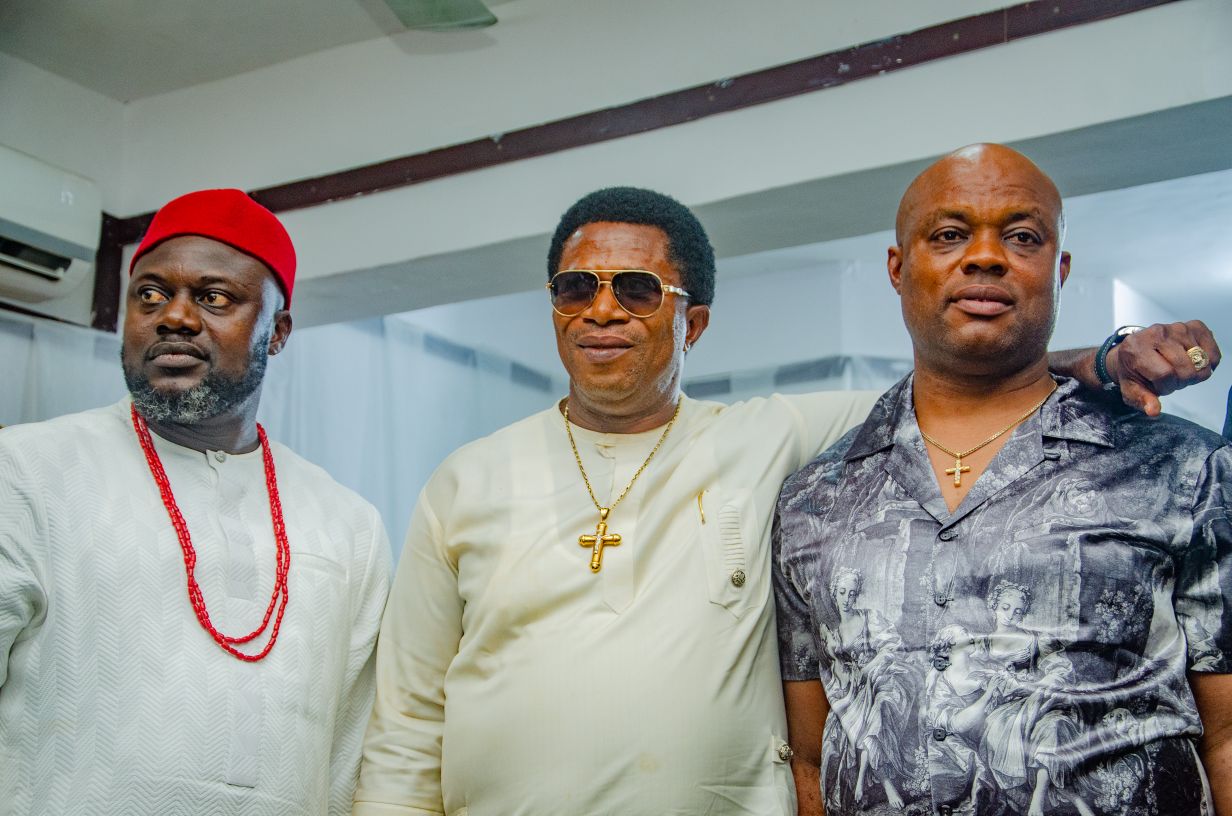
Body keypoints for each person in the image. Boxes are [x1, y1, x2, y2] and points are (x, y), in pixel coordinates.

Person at [354, 186, 1217, 816]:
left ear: (692, 323)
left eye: (637, 289)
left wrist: (1097, 360)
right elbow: (407, 723)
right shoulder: (465, 480)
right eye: (576, 288)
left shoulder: (774, 438)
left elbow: (966, 384)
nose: (601, 310)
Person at [774, 144, 1230, 816]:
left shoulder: (1183, 468)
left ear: (1059, 269)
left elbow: (1227, 736)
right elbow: (812, 759)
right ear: (898, 269)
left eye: (1022, 237)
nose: (986, 256)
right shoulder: (814, 498)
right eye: (949, 235)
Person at [0, 189, 391, 815]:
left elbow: (354, 750)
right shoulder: (26, 471)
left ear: (277, 332)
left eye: (214, 298)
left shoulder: (348, 524)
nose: (174, 317)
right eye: (151, 294)